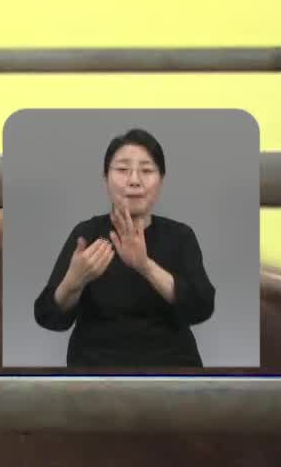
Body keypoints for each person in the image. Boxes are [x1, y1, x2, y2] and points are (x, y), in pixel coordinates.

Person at [33, 127, 217, 367]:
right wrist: (73, 281)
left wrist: (145, 266)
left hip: (172, 375)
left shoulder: (180, 236)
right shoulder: (86, 235)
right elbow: (48, 316)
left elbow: (201, 308)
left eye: (147, 171)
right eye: (122, 170)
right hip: (95, 376)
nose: (134, 180)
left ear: (161, 180)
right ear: (105, 178)